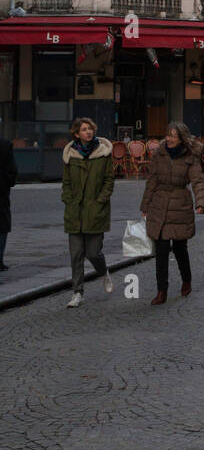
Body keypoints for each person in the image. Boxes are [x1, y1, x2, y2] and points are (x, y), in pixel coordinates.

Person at [140, 123, 204, 305]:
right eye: (167, 135)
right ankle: (162, 291)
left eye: (173, 136)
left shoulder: (190, 156)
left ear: (182, 138)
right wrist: (145, 205)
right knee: (161, 250)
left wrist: (201, 202)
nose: (169, 139)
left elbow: (197, 181)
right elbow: (152, 181)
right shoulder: (159, 154)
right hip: (159, 205)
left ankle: (186, 279)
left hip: (180, 206)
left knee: (179, 249)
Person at [62, 117, 116, 308]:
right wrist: (68, 199)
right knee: (76, 254)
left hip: (95, 210)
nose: (88, 132)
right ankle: (77, 292)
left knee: (93, 253)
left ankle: (103, 273)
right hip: (75, 210)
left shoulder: (103, 153)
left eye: (90, 129)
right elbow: (66, 182)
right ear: (76, 134)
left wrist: (100, 200)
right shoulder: (71, 154)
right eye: (84, 129)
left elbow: (109, 180)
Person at [0, 132, 17, 270]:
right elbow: (12, 170)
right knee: (2, 226)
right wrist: (8, 182)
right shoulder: (5, 144)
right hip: (1, 192)